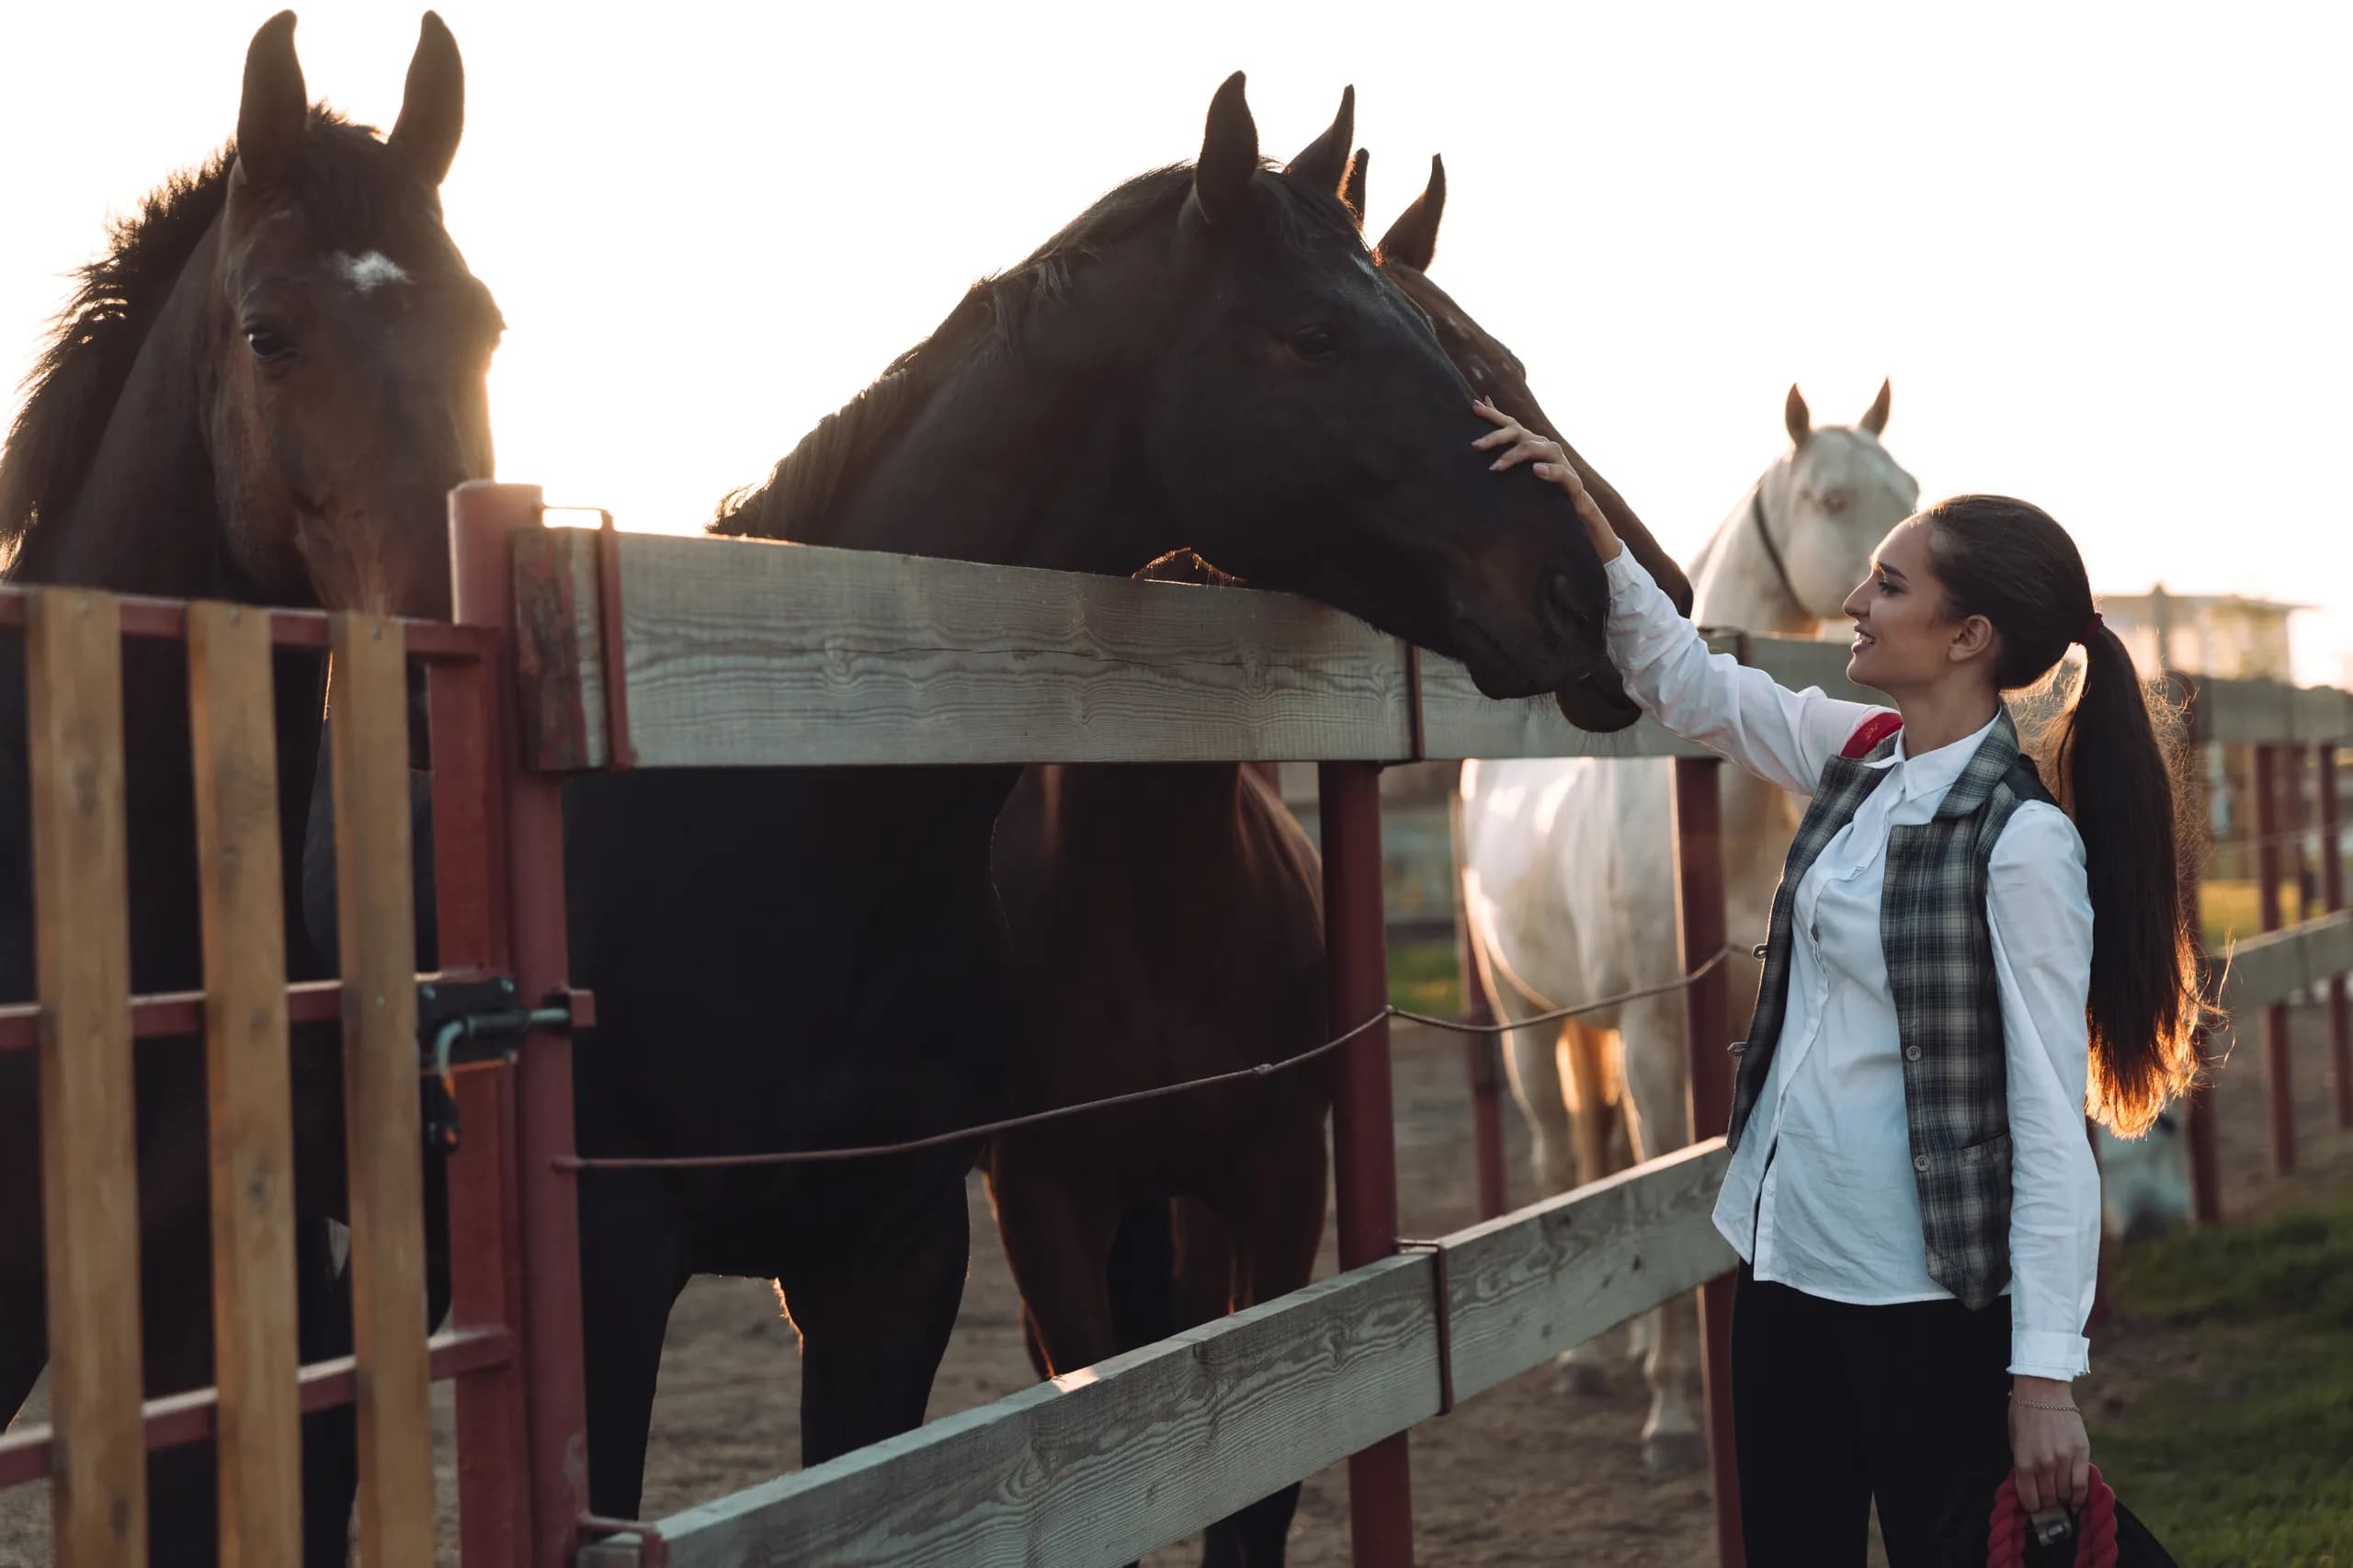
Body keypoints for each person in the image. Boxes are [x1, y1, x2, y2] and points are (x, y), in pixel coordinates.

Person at [1471, 400, 2206, 1564]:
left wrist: (2045, 1379)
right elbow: (1685, 679)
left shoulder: (2021, 843)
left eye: (1889, 585)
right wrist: (1586, 513)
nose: (1855, 601)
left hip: (1922, 1305)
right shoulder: (1857, 750)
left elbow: (2047, 1126)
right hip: (1782, 1272)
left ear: (1967, 637)